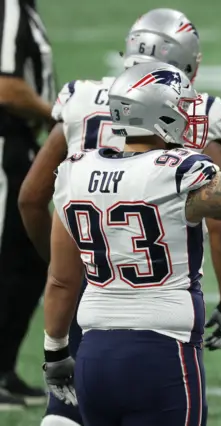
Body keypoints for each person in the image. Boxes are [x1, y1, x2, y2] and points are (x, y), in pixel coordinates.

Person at [41, 45, 221, 425]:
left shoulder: (74, 172)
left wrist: (55, 351)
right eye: (181, 106)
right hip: (161, 354)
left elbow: (62, 280)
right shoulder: (176, 173)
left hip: (94, 355)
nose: (189, 115)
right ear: (157, 113)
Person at [18, 8, 221, 425]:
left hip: (93, 291)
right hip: (156, 306)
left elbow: (32, 198)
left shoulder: (81, 98)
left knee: (67, 411)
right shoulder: (197, 112)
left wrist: (66, 264)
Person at [0, 0, 56, 408]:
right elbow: (5, 86)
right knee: (11, 258)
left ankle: (3, 369)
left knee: (30, 259)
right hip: (6, 145)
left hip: (19, 146)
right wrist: (58, 114)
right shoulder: (9, 10)